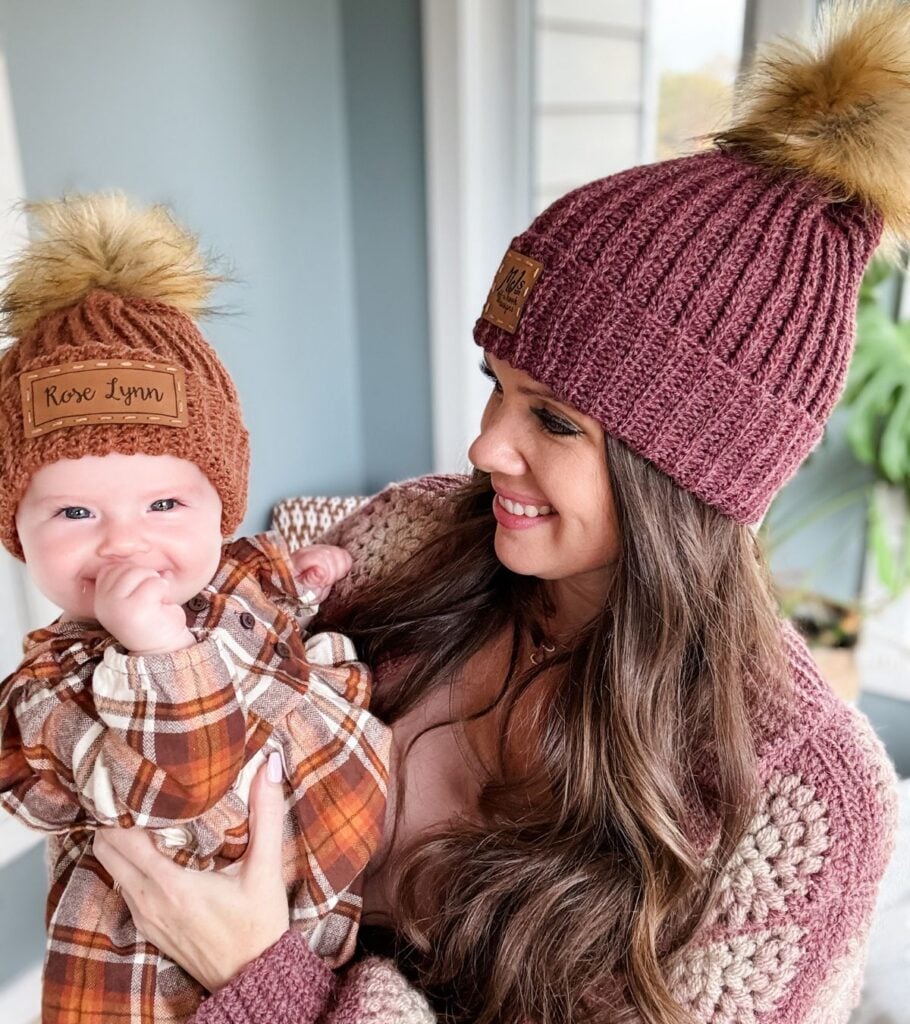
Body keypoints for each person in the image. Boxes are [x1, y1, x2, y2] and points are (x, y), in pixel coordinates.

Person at [94, 4, 906, 1023]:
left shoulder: (805, 799)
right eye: (496, 384)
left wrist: (264, 979)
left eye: (553, 419)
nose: (482, 446)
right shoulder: (408, 535)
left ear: (690, 470)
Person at [0, 196, 391, 1024]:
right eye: (75, 515)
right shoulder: (53, 690)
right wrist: (157, 656)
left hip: (322, 931)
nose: (125, 544)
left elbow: (265, 590)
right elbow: (182, 789)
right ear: (17, 535)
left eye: (165, 505)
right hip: (167, 987)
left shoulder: (226, 580)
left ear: (221, 505)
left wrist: (305, 576)